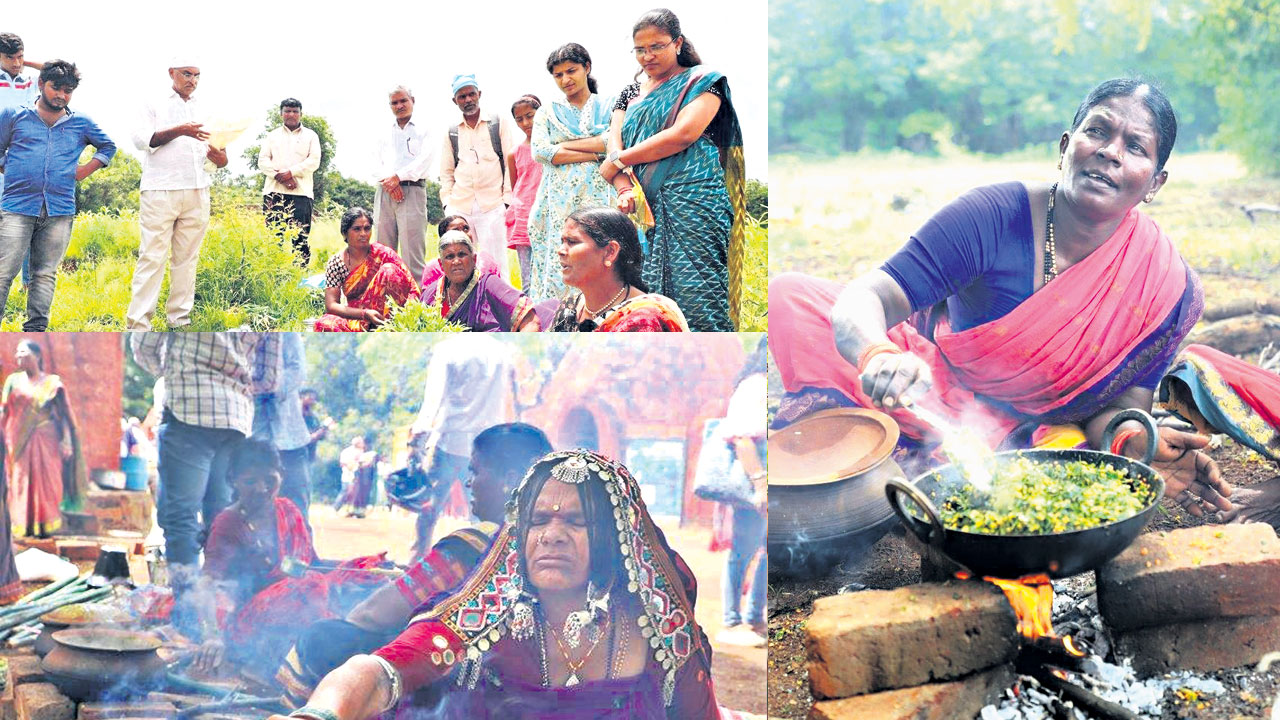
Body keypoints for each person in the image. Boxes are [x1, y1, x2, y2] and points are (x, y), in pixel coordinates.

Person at [768, 78, 1231, 515]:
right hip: (932, 394)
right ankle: (887, 450)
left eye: (1135, 147)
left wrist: (1133, 439)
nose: (1110, 152)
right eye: (1098, 131)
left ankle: (904, 459)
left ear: (1155, 183)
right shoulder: (991, 216)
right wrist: (877, 354)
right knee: (792, 297)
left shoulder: (1165, 284)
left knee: (1066, 454)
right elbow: (868, 296)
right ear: (1066, 147)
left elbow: (1120, 409)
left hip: (1042, 435)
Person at [277, 450, 720, 720]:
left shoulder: (659, 634)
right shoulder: (485, 614)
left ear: (615, 539)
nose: (551, 535)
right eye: (538, 521)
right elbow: (376, 672)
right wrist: (316, 716)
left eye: (577, 522)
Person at [275, 423, 552, 706]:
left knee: (325, 637)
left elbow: (373, 615)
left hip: (462, 687)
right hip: (534, 681)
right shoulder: (558, 540)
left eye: (476, 471)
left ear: (510, 478)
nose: (468, 483)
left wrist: (349, 623)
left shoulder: (475, 543)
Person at [193, 438, 386, 683]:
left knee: (368, 573)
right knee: (311, 586)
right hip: (249, 625)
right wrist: (211, 635)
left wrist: (358, 568)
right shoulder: (229, 522)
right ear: (233, 480)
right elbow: (207, 581)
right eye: (250, 481)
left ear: (281, 476)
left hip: (302, 606)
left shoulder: (288, 510)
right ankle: (271, 667)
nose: (261, 488)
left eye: (269, 479)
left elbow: (312, 564)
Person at [602, 9, 747, 332]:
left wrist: (620, 160)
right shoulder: (629, 93)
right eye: (640, 49)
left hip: (695, 203)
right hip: (644, 212)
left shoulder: (703, 82)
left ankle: (716, 372)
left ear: (677, 43)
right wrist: (624, 187)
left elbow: (684, 134)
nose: (648, 56)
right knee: (650, 301)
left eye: (657, 46)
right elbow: (612, 150)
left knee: (700, 295)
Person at [130, 333, 281, 614]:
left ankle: (190, 613)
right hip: (235, 418)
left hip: (189, 406)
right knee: (221, 517)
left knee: (181, 519)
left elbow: (144, 346)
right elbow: (270, 377)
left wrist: (179, 371)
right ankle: (223, 608)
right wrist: (233, 384)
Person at [0, 60, 115, 330]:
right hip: (17, 207)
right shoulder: (14, 115)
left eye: (68, 90)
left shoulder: (81, 123)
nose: (61, 95)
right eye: (56, 88)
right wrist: (12, 168)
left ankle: (36, 330)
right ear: (40, 84)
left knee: (44, 275)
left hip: (59, 210)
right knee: (4, 273)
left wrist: (84, 171)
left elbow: (108, 146)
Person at [127, 60, 229, 330]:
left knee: (187, 259)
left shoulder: (207, 107)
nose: (192, 80)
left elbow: (222, 158)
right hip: (160, 189)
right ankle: (138, 325)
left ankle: (179, 320)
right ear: (171, 72)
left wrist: (219, 155)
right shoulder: (153, 101)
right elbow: (141, 140)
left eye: (197, 75)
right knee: (152, 257)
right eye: (186, 74)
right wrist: (181, 130)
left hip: (197, 189)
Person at [403, 336, 514, 559]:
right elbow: (506, 397)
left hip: (449, 440)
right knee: (483, 508)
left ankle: (417, 559)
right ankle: (484, 563)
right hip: (487, 444)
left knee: (430, 506)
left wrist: (417, 435)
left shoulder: (447, 349)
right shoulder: (502, 351)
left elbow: (433, 399)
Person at [526, 45, 618, 302]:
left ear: (587, 68)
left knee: (600, 254)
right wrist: (596, 152)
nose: (566, 80)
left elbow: (613, 142)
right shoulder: (547, 112)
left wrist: (564, 147)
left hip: (601, 197)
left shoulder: (609, 106)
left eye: (571, 71)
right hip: (558, 204)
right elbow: (542, 152)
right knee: (562, 261)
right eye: (558, 75)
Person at [549, 207, 688, 332]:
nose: (560, 251)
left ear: (610, 252)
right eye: (562, 242)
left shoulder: (645, 318)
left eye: (572, 242)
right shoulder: (570, 308)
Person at [1, 340, 88, 537]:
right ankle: (23, 527)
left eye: (23, 352)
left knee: (47, 482)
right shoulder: (13, 381)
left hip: (46, 439)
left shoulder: (52, 383)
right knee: (21, 481)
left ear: (37, 356)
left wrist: (66, 441)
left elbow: (64, 414)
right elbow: (5, 411)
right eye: (16, 353)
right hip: (17, 441)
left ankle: (46, 528)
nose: (18, 356)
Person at [713, 341, 767, 647]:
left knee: (766, 551)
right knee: (743, 553)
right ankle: (732, 622)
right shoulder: (756, 386)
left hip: (766, 482)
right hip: (752, 483)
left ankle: (754, 619)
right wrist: (760, 484)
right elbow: (743, 439)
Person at [439, 74, 519, 281]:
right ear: (455, 101)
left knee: (496, 264)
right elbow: (446, 172)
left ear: (479, 94)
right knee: (460, 263)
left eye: (471, 94)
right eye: (462, 96)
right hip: (460, 206)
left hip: (493, 205)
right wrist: (448, 205)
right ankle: (466, 310)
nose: (468, 100)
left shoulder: (497, 123)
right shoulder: (452, 131)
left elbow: (511, 162)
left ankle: (501, 311)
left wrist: (507, 201)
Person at [314, 207, 419, 332]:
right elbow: (331, 305)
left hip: (388, 318)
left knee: (389, 270)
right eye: (357, 229)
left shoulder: (384, 254)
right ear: (345, 233)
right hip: (356, 317)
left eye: (367, 228)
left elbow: (412, 288)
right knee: (324, 324)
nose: (363, 234)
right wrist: (365, 314)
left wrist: (409, 317)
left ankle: (388, 330)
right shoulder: (337, 262)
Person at [252, 333, 314, 529]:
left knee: (297, 502)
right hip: (251, 436)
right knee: (253, 502)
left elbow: (298, 369)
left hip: (290, 435)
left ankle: (301, 553)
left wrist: (267, 386)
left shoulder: (286, 330)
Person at [374, 85, 435, 284]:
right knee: (383, 251)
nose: (399, 106)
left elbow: (425, 159)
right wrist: (390, 182)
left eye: (403, 101)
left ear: (412, 101)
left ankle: (415, 305)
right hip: (384, 192)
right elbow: (375, 161)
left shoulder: (424, 129)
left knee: (412, 253)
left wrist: (398, 177)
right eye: (395, 102)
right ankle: (385, 301)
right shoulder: (384, 132)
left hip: (412, 190)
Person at [420, 229, 538, 332]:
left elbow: (531, 320)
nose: (456, 261)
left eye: (462, 255)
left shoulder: (489, 285)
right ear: (441, 265)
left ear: (474, 259)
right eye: (449, 257)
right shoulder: (431, 295)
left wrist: (519, 354)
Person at [260, 98, 322, 265]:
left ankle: (299, 280)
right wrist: (283, 178)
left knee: (300, 239)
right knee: (273, 239)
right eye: (287, 111)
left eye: (295, 111)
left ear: (301, 114)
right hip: (274, 193)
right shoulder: (272, 136)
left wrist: (291, 173)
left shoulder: (311, 136)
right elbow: (263, 162)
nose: (291, 114)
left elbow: (314, 161)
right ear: (281, 113)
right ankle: (273, 279)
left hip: (301, 194)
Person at [505, 95, 542, 288]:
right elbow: (516, 187)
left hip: (547, 218)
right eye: (519, 119)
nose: (526, 123)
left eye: (530, 116)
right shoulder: (514, 153)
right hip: (523, 220)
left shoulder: (552, 147)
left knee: (549, 273)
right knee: (527, 279)